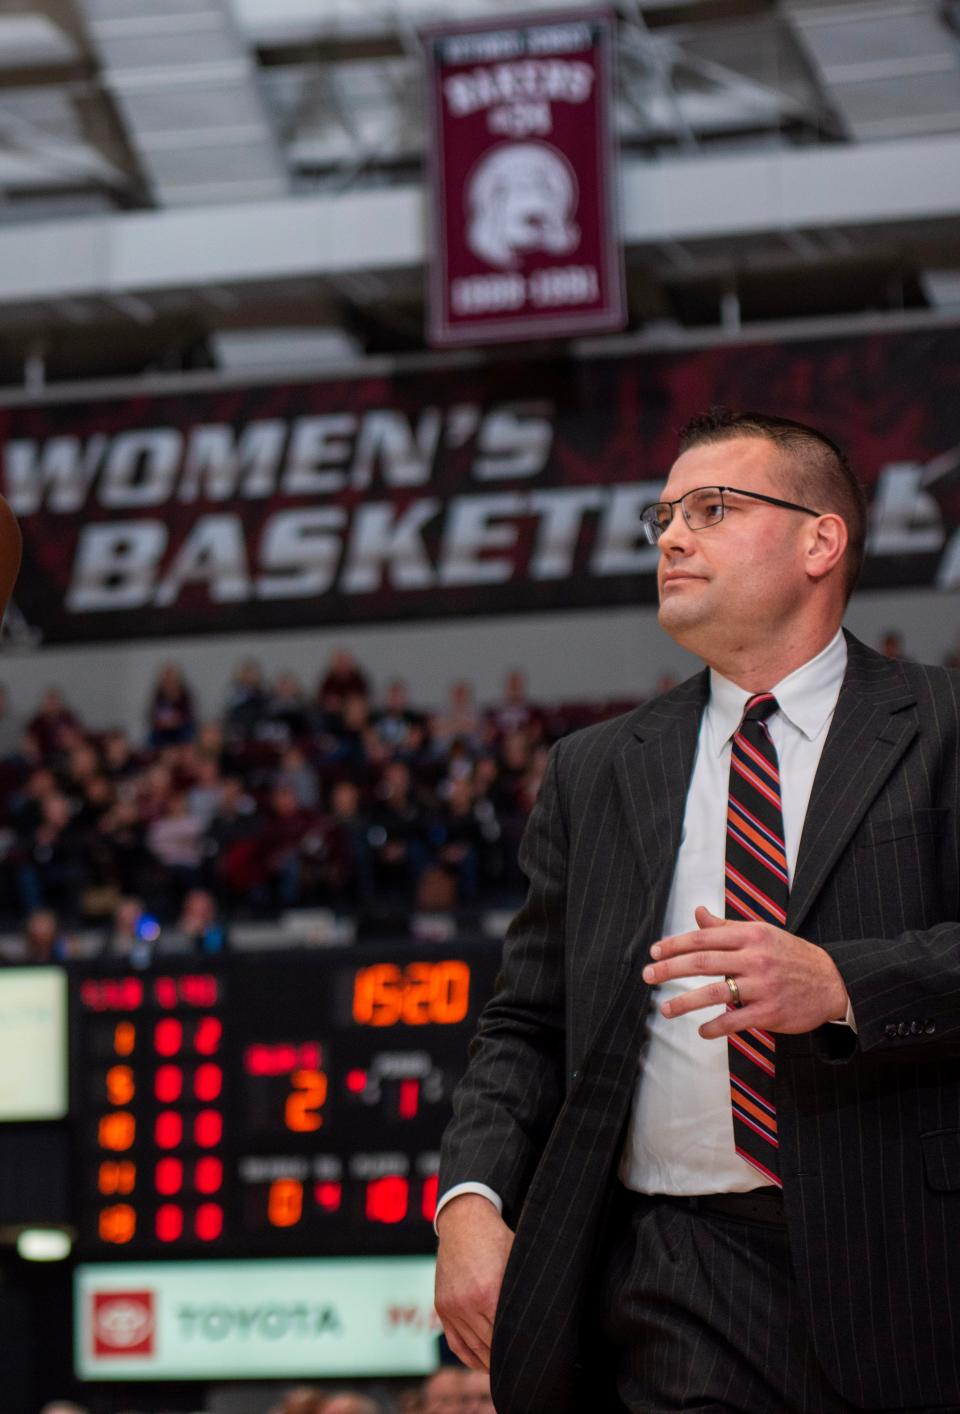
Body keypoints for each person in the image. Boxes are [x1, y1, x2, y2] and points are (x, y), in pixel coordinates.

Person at [435, 409, 960, 1413]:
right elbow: (525, 1021)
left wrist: (846, 982)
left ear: (821, 539)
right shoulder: (594, 769)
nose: (671, 536)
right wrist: (470, 1200)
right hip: (674, 1268)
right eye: (664, 515)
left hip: (914, 1253)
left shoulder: (942, 724)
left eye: (712, 509)